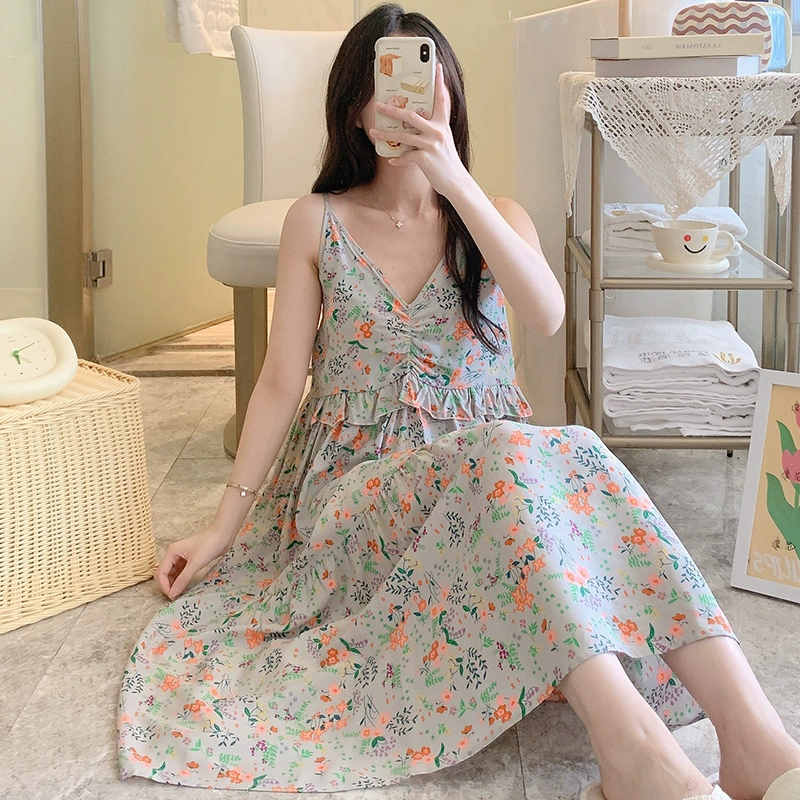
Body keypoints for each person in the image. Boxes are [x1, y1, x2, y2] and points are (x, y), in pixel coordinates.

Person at [117, 6, 800, 799]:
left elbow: (546, 313)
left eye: (422, 81)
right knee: (514, 455)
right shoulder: (317, 221)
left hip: (493, 489)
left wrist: (454, 181)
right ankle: (639, 758)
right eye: (383, 84)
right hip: (360, 498)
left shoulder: (493, 216)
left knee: (564, 450)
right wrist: (223, 525)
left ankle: (757, 743)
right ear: (353, 107)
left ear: (449, 98)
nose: (403, 103)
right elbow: (279, 381)